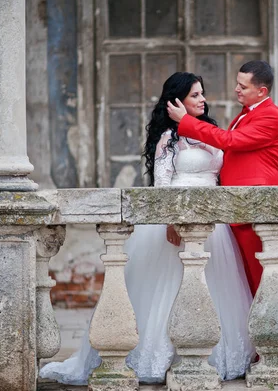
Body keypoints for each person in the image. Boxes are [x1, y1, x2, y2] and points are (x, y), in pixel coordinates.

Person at [40, 72, 255, 385]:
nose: (202, 100)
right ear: (177, 100)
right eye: (195, 95)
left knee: (213, 285)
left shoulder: (210, 132)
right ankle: (162, 355)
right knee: (167, 287)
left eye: (202, 94)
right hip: (176, 216)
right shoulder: (169, 138)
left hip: (213, 223)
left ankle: (209, 354)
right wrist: (170, 220)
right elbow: (163, 182)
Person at [167, 60, 278, 296]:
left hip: (255, 207)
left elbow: (229, 141)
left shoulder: (271, 117)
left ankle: (272, 331)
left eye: (243, 87)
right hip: (236, 207)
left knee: (262, 281)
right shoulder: (246, 115)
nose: (237, 89)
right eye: (237, 84)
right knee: (244, 281)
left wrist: (186, 121)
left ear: (261, 91)